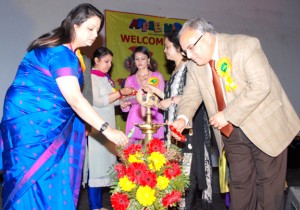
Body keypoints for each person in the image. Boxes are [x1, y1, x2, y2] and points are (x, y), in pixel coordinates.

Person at [0, 3, 128, 210]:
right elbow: (75, 99)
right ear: (75, 25)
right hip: (37, 125)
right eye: (90, 28)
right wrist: (107, 130)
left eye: (97, 30)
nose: (95, 35)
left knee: (34, 176)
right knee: (39, 177)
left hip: (28, 122)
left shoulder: (52, 48)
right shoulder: (62, 54)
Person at [171, 18, 300, 210]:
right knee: (240, 184)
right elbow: (190, 95)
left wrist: (227, 114)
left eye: (191, 48)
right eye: (184, 51)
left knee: (268, 186)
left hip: (264, 125)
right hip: (231, 132)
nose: (188, 55)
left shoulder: (244, 46)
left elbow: (260, 86)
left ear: (206, 38)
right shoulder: (194, 65)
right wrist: (182, 118)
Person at [143, 30, 213, 209]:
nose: (165, 51)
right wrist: (157, 93)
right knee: (176, 176)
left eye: (167, 47)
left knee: (187, 176)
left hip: (189, 129)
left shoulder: (190, 67)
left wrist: (171, 100)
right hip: (175, 130)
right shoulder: (176, 70)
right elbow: (172, 96)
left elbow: (197, 96)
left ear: (179, 49)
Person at [82, 47, 133, 210]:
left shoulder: (105, 78)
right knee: (96, 168)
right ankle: (94, 206)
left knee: (107, 165)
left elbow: (110, 100)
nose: (109, 65)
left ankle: (100, 205)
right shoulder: (91, 77)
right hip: (97, 128)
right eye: (106, 61)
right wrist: (120, 93)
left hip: (108, 127)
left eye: (110, 62)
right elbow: (98, 101)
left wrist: (121, 101)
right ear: (96, 61)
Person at [121, 46, 165, 143]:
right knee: (134, 153)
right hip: (135, 117)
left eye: (143, 58)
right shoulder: (130, 79)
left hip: (154, 115)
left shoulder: (157, 76)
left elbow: (163, 99)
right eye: (137, 59)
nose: (139, 62)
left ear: (148, 60)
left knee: (156, 151)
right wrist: (123, 105)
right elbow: (126, 104)